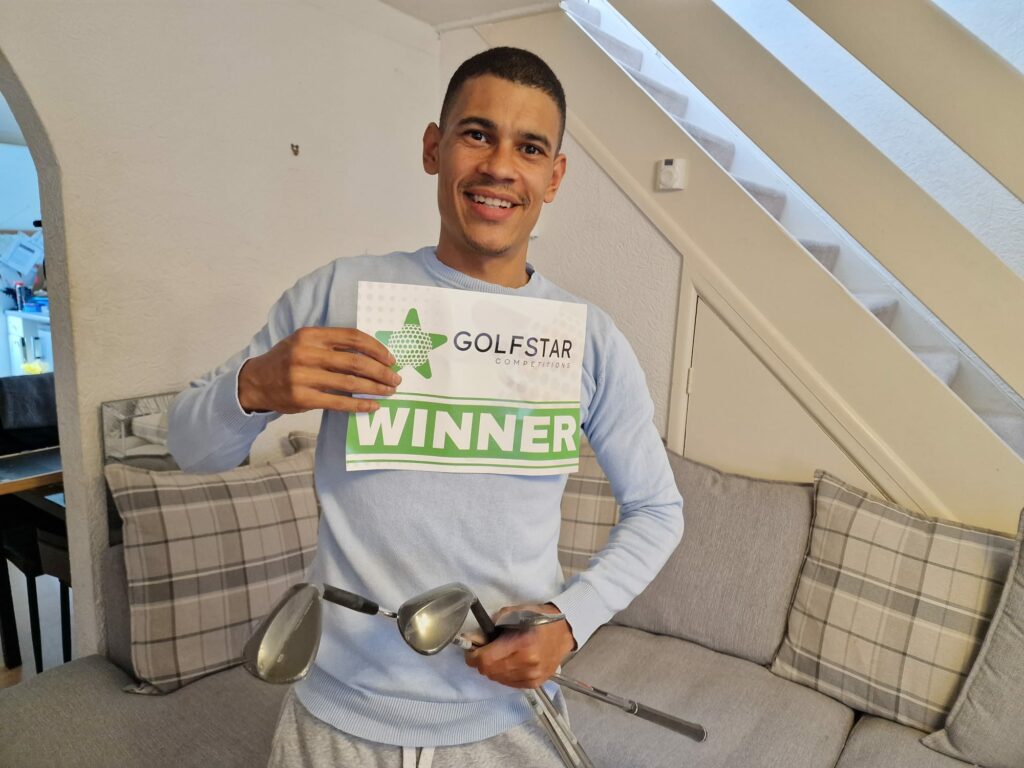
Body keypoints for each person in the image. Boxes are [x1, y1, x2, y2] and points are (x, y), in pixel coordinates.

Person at [168, 47, 683, 767]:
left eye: (530, 148)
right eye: (477, 134)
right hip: (335, 721)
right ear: (433, 148)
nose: (500, 166)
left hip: (507, 722)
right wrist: (254, 387)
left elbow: (658, 510)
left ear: (555, 176)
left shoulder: (591, 341)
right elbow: (187, 448)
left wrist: (573, 620)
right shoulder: (339, 295)